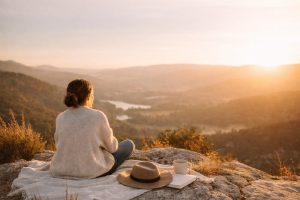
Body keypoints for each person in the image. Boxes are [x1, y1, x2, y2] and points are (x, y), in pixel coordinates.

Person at [49, 79, 135, 179]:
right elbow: (112, 148)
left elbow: (59, 144)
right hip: (91, 172)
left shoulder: (61, 117)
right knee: (129, 144)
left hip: (60, 170)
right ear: (89, 96)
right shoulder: (98, 116)